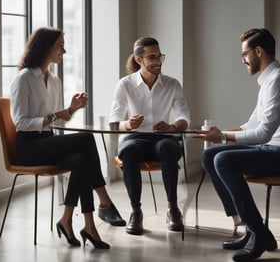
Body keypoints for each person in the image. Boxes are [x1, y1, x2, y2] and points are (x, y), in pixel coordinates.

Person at [10, 27, 126, 249]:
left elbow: (57, 122)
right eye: (60, 46)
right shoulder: (23, 79)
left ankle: (81, 223)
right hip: (29, 147)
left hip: (47, 141)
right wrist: (57, 114)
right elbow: (21, 123)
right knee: (85, 139)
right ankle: (104, 200)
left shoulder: (54, 80)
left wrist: (70, 110)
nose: (64, 50)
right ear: (45, 48)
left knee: (81, 160)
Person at [195, 28, 280, 261]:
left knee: (223, 159)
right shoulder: (268, 81)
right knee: (210, 156)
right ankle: (252, 227)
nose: (243, 60)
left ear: (258, 51)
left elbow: (263, 134)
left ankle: (258, 232)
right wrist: (217, 134)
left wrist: (223, 138)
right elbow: (251, 124)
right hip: (270, 150)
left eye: (244, 54)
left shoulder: (279, 81)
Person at [109, 37, 190, 235]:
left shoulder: (172, 84)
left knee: (169, 148)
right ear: (139, 60)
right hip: (133, 137)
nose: (158, 61)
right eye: (152, 57)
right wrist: (128, 124)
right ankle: (136, 211)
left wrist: (172, 126)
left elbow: (184, 117)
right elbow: (114, 121)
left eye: (159, 56)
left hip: (163, 136)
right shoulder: (125, 84)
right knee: (128, 151)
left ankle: (173, 209)